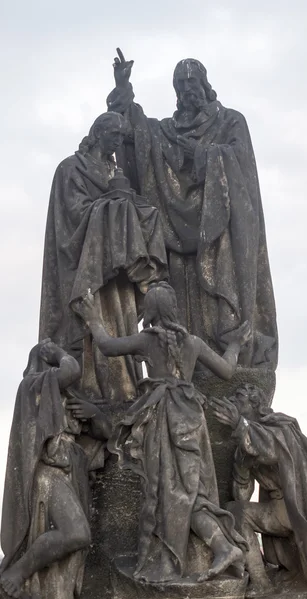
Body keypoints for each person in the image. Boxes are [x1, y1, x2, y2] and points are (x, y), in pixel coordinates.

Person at [106, 49, 278, 369]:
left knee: (216, 307)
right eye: (180, 85)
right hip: (174, 235)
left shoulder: (230, 121)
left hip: (218, 230)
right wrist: (123, 90)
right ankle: (186, 369)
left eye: (192, 83)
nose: (187, 91)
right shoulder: (166, 132)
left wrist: (202, 153)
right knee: (181, 303)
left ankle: (224, 364)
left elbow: (240, 167)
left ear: (205, 84)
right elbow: (134, 132)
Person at [79, 282, 249, 584]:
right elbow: (226, 370)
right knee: (190, 491)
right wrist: (235, 344)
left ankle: (202, 552)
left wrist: (93, 317)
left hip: (164, 417)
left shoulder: (148, 340)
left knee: (168, 492)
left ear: (151, 310)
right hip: (191, 417)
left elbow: (106, 346)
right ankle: (223, 547)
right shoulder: (192, 342)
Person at [39, 111, 168, 403]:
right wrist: (113, 207)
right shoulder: (71, 168)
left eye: (122, 138)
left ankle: (123, 385)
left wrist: (132, 208)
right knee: (92, 324)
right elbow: (73, 216)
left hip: (117, 275)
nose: (117, 143)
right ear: (98, 133)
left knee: (146, 213)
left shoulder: (113, 171)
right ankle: (94, 387)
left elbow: (125, 214)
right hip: (88, 269)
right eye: (114, 136)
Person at [0, 339, 111, 599]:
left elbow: (105, 433)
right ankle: (17, 573)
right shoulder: (32, 386)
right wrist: (59, 352)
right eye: (52, 358)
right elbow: (71, 370)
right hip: (48, 474)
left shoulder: (62, 399)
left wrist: (95, 413)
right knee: (77, 533)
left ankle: (30, 581)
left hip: (70, 474)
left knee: (71, 554)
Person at [211, 384, 307, 597]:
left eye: (239, 397)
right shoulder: (245, 442)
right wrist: (243, 468)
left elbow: (271, 450)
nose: (233, 401)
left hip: (302, 505)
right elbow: (241, 495)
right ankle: (261, 582)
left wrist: (239, 424)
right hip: (279, 510)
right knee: (236, 510)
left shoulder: (280, 426)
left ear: (255, 404)